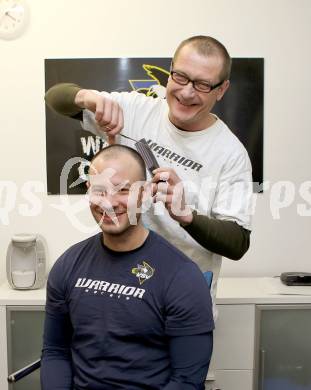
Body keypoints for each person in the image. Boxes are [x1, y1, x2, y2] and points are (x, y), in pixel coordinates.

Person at [45, 35, 253, 316]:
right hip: (121, 292)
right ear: (170, 71)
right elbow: (54, 98)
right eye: (180, 77)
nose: (187, 93)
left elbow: (238, 242)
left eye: (203, 84)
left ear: (222, 89)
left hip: (181, 302)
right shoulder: (135, 110)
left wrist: (186, 216)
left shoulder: (230, 154)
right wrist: (85, 96)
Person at [41, 144, 214, 390]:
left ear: (144, 194)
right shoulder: (67, 265)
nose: (109, 203)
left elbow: (186, 381)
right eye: (100, 191)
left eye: (123, 190)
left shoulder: (182, 277)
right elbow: (55, 352)